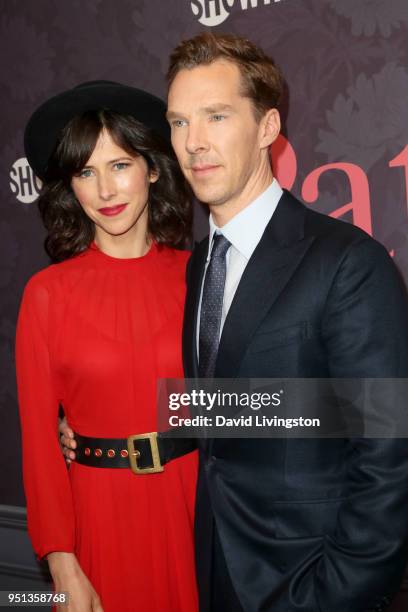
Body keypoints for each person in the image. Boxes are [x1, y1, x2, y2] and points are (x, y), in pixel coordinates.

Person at [60, 35, 408, 612]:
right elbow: (232, 410)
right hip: (209, 573)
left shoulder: (347, 263)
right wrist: (96, 432)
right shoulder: (199, 265)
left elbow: (389, 454)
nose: (193, 143)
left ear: (268, 126)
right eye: (177, 123)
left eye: (216, 117)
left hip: (308, 586)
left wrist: (333, 594)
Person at [16, 81, 199, 612]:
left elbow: (232, 400)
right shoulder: (47, 294)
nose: (105, 191)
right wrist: (60, 562)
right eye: (86, 173)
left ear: (154, 169)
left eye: (120, 166)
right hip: (98, 517)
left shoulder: (201, 277)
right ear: (70, 187)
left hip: (194, 506)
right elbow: (38, 445)